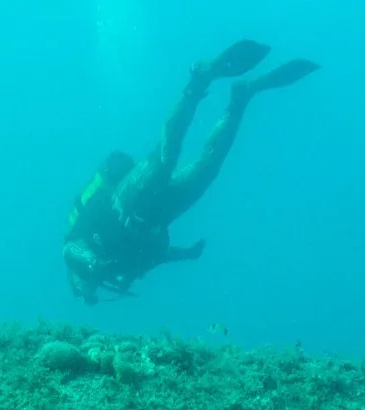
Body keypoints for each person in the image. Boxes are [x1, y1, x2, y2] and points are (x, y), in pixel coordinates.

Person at [63, 40, 319, 304]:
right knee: (207, 170)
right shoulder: (118, 271)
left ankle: (199, 80)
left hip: (128, 201)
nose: (88, 290)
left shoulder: (81, 249)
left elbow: (71, 250)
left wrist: (92, 265)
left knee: (166, 156)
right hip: (162, 214)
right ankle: (241, 98)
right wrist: (188, 253)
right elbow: (158, 257)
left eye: (81, 288)